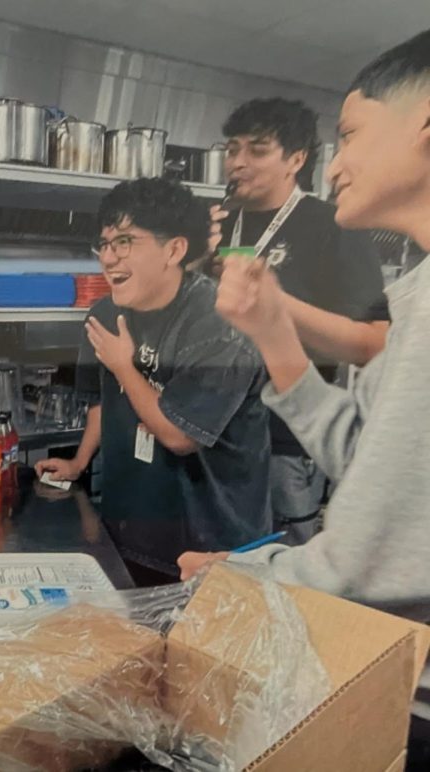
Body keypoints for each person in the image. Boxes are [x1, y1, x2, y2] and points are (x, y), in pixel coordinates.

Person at [177, 28, 430, 768]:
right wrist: (272, 330)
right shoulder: (413, 290)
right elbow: (366, 455)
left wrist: (243, 575)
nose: (338, 162)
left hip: (406, 694)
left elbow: (367, 569)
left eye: (348, 135)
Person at [35, 177, 271, 586]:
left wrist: (126, 366)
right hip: (129, 529)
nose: (109, 258)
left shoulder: (218, 324)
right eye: (104, 244)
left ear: (174, 249)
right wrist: (79, 461)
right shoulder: (104, 314)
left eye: (125, 242)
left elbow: (180, 436)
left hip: (211, 546)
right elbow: (100, 400)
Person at [203, 97, 391, 545]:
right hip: (209, 426)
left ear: (297, 159)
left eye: (258, 149)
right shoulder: (217, 220)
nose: (239, 163)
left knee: (286, 565)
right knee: (217, 560)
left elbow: (373, 343)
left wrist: (274, 306)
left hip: (285, 434)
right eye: (232, 150)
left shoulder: (332, 224)